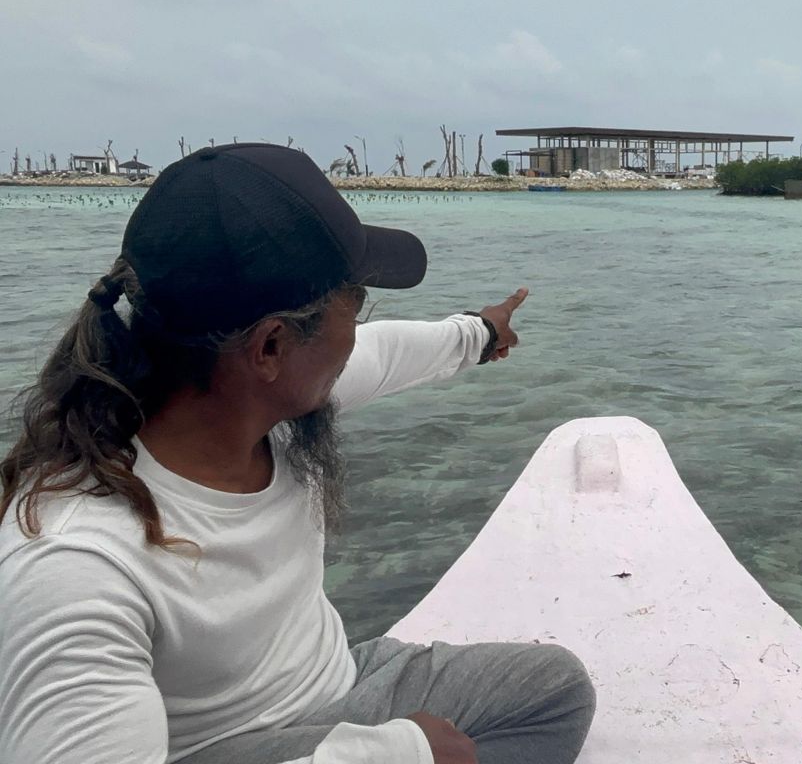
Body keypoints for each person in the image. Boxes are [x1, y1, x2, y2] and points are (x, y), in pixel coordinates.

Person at [0, 143, 596, 764]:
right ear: (271, 346)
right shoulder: (74, 560)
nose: (357, 332)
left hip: (336, 682)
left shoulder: (254, 402)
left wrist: (481, 332)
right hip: (224, 749)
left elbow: (389, 353)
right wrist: (397, 754)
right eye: (356, 303)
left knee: (554, 692)